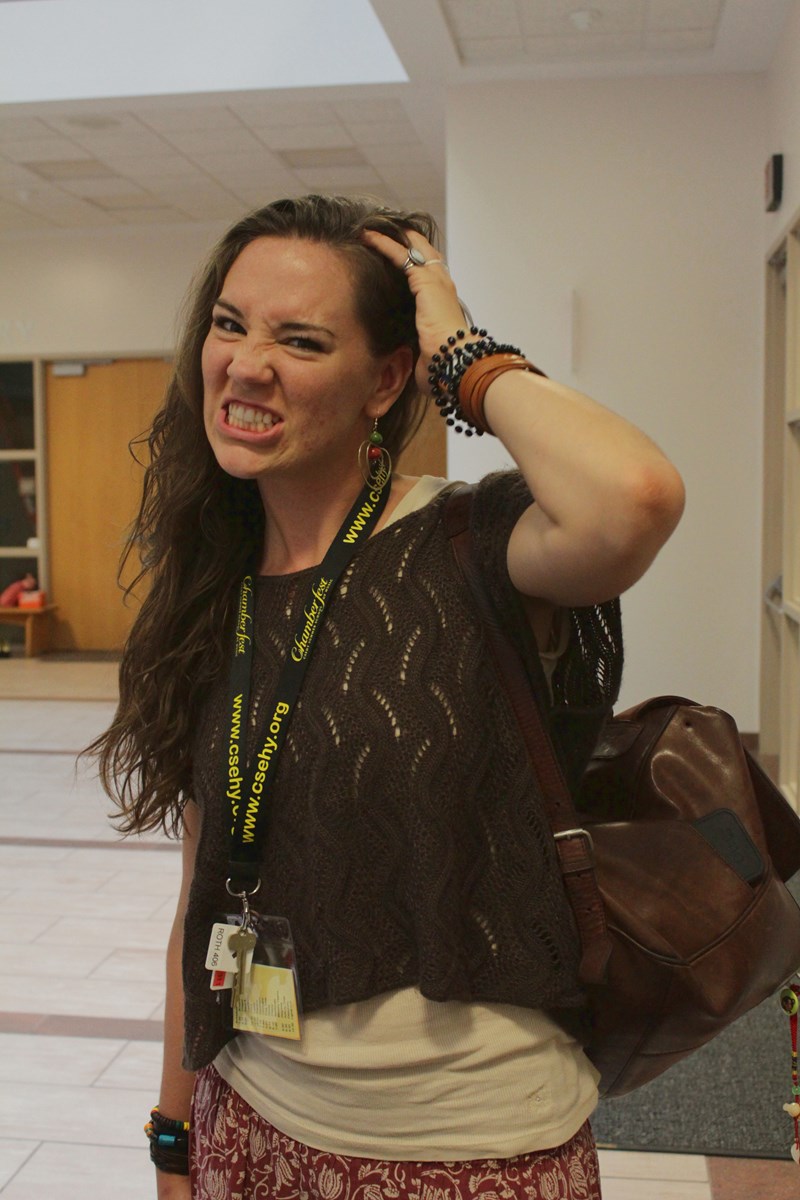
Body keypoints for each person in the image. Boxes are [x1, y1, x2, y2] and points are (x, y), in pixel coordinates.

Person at [92, 194, 684, 1200]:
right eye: (230, 324)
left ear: (385, 379)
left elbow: (633, 497)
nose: (246, 364)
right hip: (249, 1120)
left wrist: (461, 349)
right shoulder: (214, 586)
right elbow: (205, 886)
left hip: (468, 1148)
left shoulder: (472, 544)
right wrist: (172, 1127)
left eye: (301, 340)